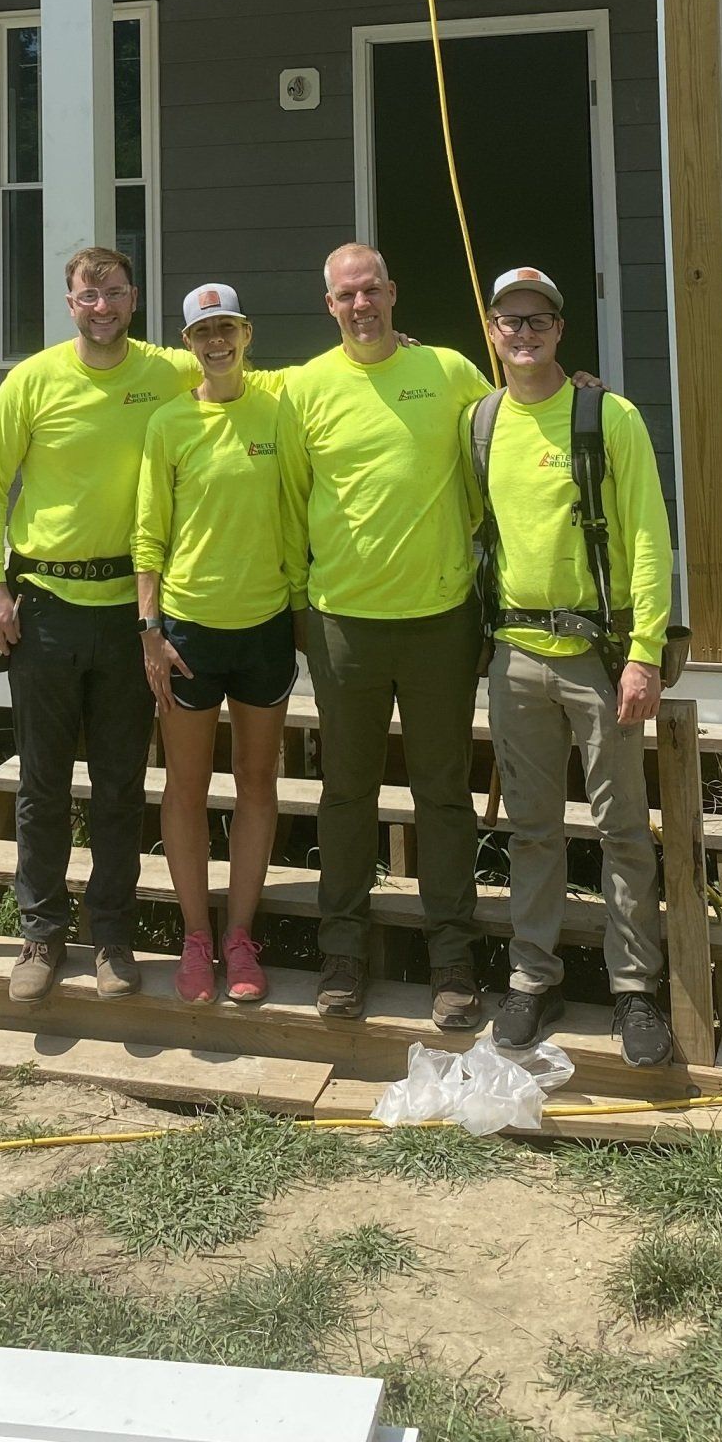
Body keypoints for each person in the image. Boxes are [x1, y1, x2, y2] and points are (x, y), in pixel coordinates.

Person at [0, 244, 196, 1006]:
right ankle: (41, 933)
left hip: (131, 615)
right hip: (47, 614)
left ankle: (114, 938)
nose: (103, 307)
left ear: (134, 299)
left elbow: (255, 383)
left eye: (116, 293)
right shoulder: (33, 381)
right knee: (42, 784)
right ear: (70, 304)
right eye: (88, 296)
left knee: (123, 785)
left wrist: (394, 350)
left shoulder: (168, 372)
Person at [276, 242, 493, 1027]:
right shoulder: (305, 388)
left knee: (442, 794)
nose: (360, 305)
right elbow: (291, 502)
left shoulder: (451, 371)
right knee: (345, 795)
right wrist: (301, 604)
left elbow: (514, 423)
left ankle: (453, 961)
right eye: (345, 296)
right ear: (327, 304)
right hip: (343, 626)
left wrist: (579, 392)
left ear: (393, 293)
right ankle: (342, 955)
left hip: (441, 620)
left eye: (371, 290)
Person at [468, 267, 678, 1069]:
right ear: (491, 331)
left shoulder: (608, 416)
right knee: (532, 830)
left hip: (600, 657)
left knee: (624, 830)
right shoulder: (480, 423)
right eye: (509, 322)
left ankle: (634, 992)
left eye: (538, 321)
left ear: (560, 329)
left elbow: (651, 539)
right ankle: (534, 977)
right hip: (515, 655)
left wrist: (646, 654)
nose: (523, 334)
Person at [133, 283, 294, 1008]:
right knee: (187, 788)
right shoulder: (169, 422)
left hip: (264, 624)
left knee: (257, 783)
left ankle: (241, 935)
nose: (216, 342)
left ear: (246, 332)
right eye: (203, 332)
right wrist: (150, 629)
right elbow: (148, 533)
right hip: (189, 631)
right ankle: (196, 936)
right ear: (188, 342)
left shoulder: (279, 409)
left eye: (226, 327)